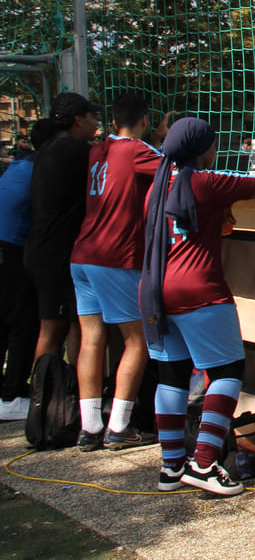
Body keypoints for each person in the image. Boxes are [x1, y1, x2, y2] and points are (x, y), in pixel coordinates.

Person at [141, 117, 255, 495]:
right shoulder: (207, 182)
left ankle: (171, 466)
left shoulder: (157, 185)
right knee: (228, 372)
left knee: (170, 375)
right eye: (212, 145)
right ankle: (204, 463)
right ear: (201, 149)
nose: (215, 150)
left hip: (155, 290)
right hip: (201, 291)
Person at [70, 92, 168, 451]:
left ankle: (90, 428)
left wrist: (152, 140)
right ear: (144, 121)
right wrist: (163, 140)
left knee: (92, 339)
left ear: (112, 123)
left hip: (82, 254)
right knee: (137, 339)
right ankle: (119, 427)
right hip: (116, 257)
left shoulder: (100, 149)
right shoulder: (136, 150)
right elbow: (174, 167)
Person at [24, 92, 102, 364]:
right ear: (77, 119)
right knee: (53, 329)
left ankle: (66, 393)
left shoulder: (51, 147)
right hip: (54, 255)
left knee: (74, 324)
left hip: (47, 251)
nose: (96, 124)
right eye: (93, 117)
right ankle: (43, 399)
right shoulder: (72, 150)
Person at [0, 120, 54, 420]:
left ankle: (7, 391)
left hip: (7, 245)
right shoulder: (42, 171)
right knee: (22, 322)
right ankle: (13, 395)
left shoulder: (19, 166)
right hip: (12, 248)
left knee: (5, 321)